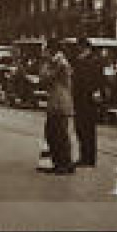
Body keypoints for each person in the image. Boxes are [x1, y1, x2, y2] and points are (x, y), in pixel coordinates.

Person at [41, 39, 76, 174]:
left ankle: (64, 164)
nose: (44, 52)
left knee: (59, 134)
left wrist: (49, 64)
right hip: (56, 103)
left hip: (60, 103)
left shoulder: (59, 63)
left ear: (51, 50)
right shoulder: (57, 63)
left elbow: (46, 78)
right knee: (53, 133)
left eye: (46, 50)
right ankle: (60, 163)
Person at [70, 42, 103, 168]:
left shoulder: (92, 62)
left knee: (86, 129)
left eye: (82, 48)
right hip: (81, 99)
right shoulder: (81, 61)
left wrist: (96, 92)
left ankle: (87, 158)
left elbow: (97, 80)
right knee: (82, 129)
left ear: (87, 49)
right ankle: (86, 157)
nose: (80, 51)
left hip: (87, 100)